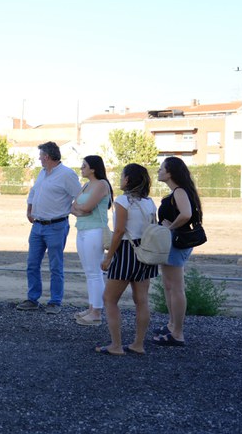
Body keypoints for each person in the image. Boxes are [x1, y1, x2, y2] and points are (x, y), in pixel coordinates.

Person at [96, 164, 159, 356]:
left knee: (109, 299)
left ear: (128, 179)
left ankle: (116, 345)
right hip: (145, 251)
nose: (120, 179)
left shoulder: (123, 201)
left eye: (122, 176)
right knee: (141, 300)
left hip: (126, 251)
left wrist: (109, 257)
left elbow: (119, 231)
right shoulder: (149, 202)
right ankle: (138, 344)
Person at [16, 142, 81, 314]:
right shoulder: (42, 173)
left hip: (56, 226)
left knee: (55, 266)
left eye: (40, 155)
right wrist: (29, 210)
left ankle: (55, 301)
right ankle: (32, 299)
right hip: (37, 226)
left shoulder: (67, 174)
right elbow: (33, 192)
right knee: (32, 264)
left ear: (47, 156)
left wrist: (72, 210)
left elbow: (80, 196)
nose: (39, 158)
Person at [153, 156, 203, 347]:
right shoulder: (178, 191)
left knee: (175, 287)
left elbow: (186, 214)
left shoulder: (180, 191)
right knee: (169, 286)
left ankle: (178, 333)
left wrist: (170, 228)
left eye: (161, 168)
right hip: (173, 243)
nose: (158, 171)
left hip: (176, 243)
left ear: (170, 173)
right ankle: (172, 325)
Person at [70, 155, 112, 326]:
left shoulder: (102, 184)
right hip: (82, 230)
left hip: (95, 231)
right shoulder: (87, 185)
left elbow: (87, 207)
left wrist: (81, 210)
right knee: (89, 272)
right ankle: (92, 307)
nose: (81, 168)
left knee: (95, 272)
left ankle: (97, 312)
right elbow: (73, 206)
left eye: (84, 166)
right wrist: (81, 210)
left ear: (93, 168)